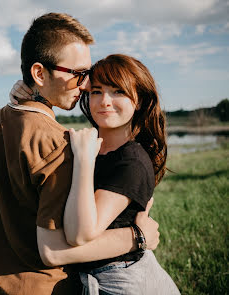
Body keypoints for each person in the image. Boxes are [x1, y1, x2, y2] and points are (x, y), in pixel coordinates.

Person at [0, 13, 160, 295]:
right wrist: (137, 236)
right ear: (39, 73)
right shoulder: (59, 143)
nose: (84, 85)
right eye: (79, 75)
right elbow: (59, 247)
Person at [10, 54, 180, 294]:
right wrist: (34, 94)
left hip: (124, 280)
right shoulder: (89, 146)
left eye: (118, 92)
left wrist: (83, 162)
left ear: (139, 100)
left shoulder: (131, 161)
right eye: (97, 91)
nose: (104, 101)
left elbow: (79, 234)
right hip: (92, 279)